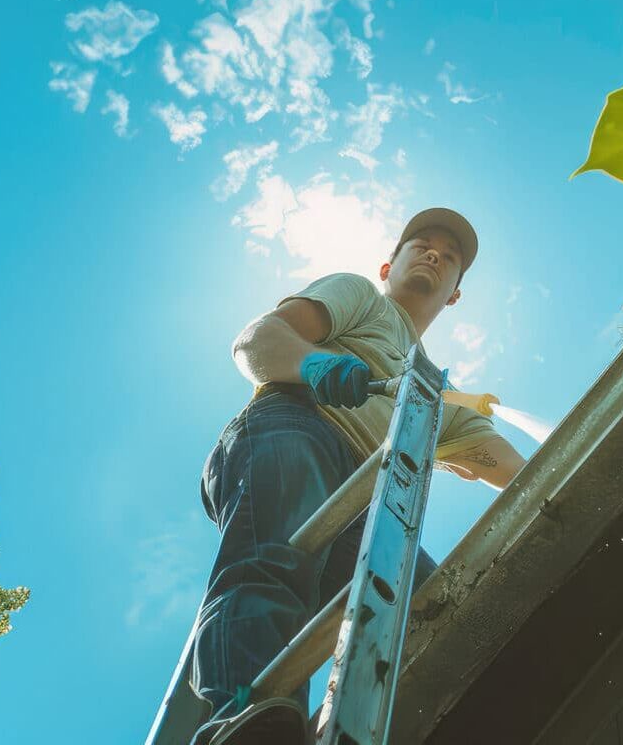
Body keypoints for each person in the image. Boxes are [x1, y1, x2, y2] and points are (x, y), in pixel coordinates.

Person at [190, 208, 526, 745]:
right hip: (295, 425)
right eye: (421, 243)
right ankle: (244, 722)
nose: (435, 253)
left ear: (455, 293)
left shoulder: (435, 392)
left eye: (450, 255)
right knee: (275, 563)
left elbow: (520, 472)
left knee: (439, 608)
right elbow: (257, 340)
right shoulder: (358, 297)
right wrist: (313, 365)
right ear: (388, 264)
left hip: (371, 496)